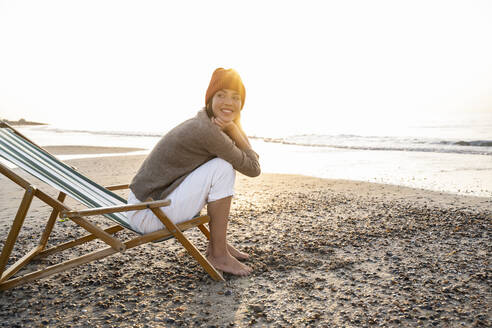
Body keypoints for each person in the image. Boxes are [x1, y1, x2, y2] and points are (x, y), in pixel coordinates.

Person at [127, 68, 261, 276]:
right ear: (210, 100)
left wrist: (233, 128)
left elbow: (249, 165)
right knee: (222, 167)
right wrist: (234, 130)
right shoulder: (208, 131)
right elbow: (254, 169)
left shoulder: (205, 123)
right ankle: (218, 254)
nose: (229, 102)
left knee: (220, 164)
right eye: (221, 95)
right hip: (148, 214)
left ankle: (219, 245)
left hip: (148, 205)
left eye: (236, 97)